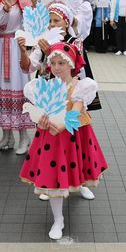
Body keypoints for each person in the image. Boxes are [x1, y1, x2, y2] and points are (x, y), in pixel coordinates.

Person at [19, 42, 106, 240]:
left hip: (74, 135)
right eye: (53, 63)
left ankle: (80, 185)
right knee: (54, 178)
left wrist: (63, 125)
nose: (56, 68)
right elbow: (41, 111)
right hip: (52, 138)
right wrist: (41, 121)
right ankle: (58, 219)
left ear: (72, 64)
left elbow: (76, 110)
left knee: (77, 168)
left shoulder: (80, 86)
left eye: (61, 63)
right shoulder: (44, 87)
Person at [0, 0, 35, 153]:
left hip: (17, 47)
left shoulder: (24, 1)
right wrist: (5, 7)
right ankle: (6, 136)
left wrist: (33, 4)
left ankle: (24, 137)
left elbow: (32, 25)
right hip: (0, 48)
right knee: (0, 88)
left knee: (18, 87)